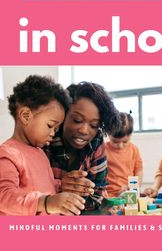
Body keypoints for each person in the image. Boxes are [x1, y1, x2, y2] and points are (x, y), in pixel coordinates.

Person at [0, 75, 85, 216]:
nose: (53, 133)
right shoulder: (8, 154)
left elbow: (43, 186)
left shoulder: (40, 153)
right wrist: (46, 202)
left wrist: (62, 186)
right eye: (50, 125)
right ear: (26, 115)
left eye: (56, 129)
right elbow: (4, 196)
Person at [45, 81, 121, 208]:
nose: (84, 130)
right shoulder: (45, 140)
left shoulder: (96, 142)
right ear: (64, 114)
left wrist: (80, 194)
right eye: (77, 120)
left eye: (94, 125)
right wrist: (58, 186)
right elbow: (29, 193)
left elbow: (97, 195)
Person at [105, 112, 143, 197]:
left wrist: (133, 187)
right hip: (109, 196)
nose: (120, 145)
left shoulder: (134, 149)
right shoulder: (103, 150)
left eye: (125, 141)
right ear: (108, 134)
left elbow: (139, 171)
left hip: (129, 195)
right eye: (115, 141)